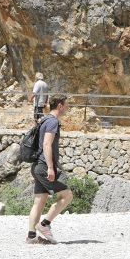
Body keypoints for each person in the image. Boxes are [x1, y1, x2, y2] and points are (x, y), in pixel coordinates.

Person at [27, 95, 73, 244]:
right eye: (66, 105)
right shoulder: (53, 121)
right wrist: (51, 168)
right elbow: (47, 144)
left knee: (39, 201)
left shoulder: (44, 119)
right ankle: (44, 224)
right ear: (60, 106)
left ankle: (31, 236)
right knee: (67, 196)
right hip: (44, 166)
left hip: (37, 165)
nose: (67, 108)